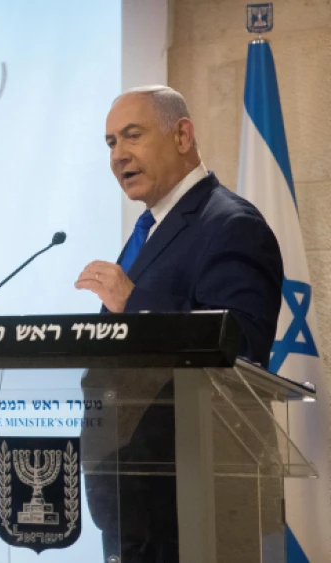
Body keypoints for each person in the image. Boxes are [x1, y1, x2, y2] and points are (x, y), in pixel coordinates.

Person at [75, 85, 284, 562]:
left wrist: (135, 302)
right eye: (110, 142)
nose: (118, 155)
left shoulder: (231, 225)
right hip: (133, 504)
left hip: (196, 505)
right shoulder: (151, 230)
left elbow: (241, 347)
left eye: (133, 135)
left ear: (183, 135)